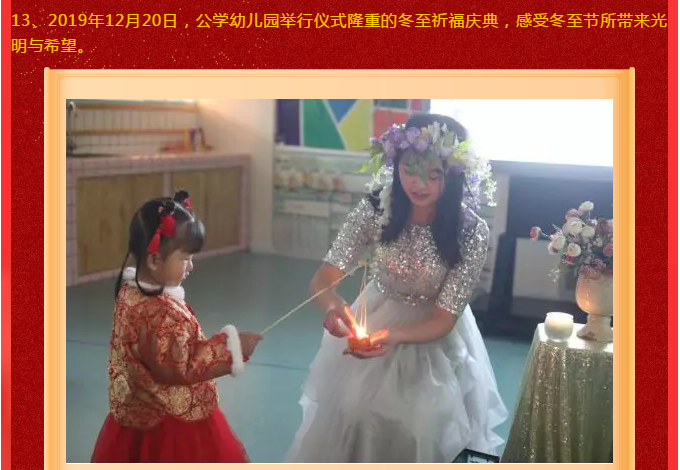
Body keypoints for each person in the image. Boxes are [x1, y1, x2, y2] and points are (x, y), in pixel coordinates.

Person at [285, 114, 508, 463]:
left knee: (422, 423)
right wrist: (330, 305)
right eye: (409, 169)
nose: (419, 183)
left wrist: (395, 336)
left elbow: (444, 318)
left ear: (453, 175)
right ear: (395, 163)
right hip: (378, 312)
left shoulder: (470, 230)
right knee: (354, 411)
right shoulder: (377, 209)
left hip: (432, 334)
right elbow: (323, 278)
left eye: (434, 174)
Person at [91, 190, 262, 463]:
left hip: (136, 417)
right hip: (171, 424)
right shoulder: (161, 312)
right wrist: (233, 348)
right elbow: (182, 367)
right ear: (154, 260)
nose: (190, 267)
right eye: (184, 259)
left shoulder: (130, 294)